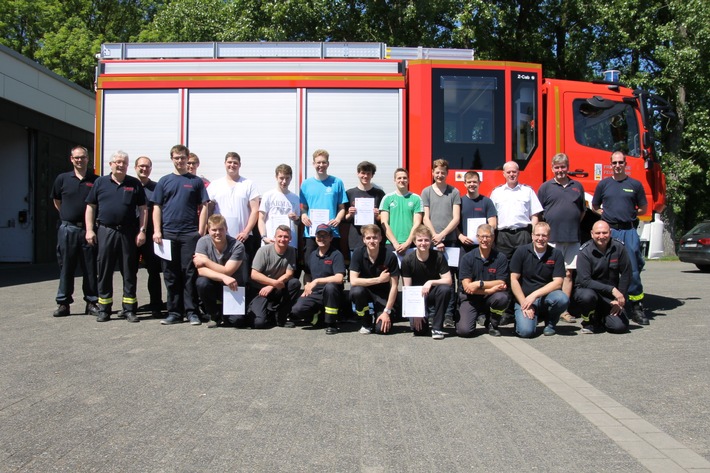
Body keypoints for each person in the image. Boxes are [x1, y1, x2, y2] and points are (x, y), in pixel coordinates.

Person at [85, 151, 148, 323]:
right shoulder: (100, 182)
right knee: (104, 270)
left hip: (128, 232)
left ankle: (129, 309)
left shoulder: (133, 183)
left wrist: (142, 230)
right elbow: (90, 206)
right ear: (111, 164)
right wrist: (89, 230)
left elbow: (143, 209)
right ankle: (104, 308)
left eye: (124, 163)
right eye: (118, 162)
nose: (121, 165)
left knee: (129, 271)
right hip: (106, 231)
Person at [152, 144, 209, 326]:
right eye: (176, 158)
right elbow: (156, 207)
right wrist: (157, 230)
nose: (180, 161)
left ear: (187, 159)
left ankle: (191, 312)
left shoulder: (195, 181)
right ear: (172, 159)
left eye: (183, 158)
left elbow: (204, 206)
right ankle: (174, 313)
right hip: (168, 234)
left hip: (189, 235)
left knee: (189, 274)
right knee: (170, 274)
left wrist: (200, 231)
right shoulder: (164, 181)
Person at [592, 151, 649, 325]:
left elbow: (644, 208)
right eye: (614, 163)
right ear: (610, 165)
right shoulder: (604, 185)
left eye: (620, 163)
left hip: (628, 231)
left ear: (625, 164)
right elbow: (595, 206)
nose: (617, 166)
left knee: (632, 269)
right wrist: (605, 215)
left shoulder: (635, 184)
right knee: (607, 267)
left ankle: (636, 306)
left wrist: (631, 214)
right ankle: (607, 304)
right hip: (610, 232)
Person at [50, 145, 99, 317]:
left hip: (88, 230)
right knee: (66, 267)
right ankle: (63, 303)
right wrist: (68, 216)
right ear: (71, 159)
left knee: (90, 268)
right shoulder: (62, 179)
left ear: (88, 159)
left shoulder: (95, 180)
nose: (80, 160)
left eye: (83, 157)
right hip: (68, 229)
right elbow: (57, 201)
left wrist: (89, 227)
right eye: (76, 157)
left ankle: (92, 302)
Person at [537, 153, 586, 323]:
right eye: (557, 167)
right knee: (549, 274)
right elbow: (539, 212)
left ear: (567, 167)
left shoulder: (577, 186)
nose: (560, 170)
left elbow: (581, 212)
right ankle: (546, 308)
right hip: (552, 238)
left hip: (572, 238)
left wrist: (569, 224)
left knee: (568, 274)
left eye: (563, 167)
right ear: (552, 168)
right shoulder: (545, 187)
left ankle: (563, 311)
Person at [509, 222, 569, 337]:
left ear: (549, 237)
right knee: (526, 332)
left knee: (562, 299)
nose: (540, 238)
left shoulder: (556, 254)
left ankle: (550, 323)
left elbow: (558, 282)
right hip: (524, 298)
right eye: (537, 235)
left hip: (545, 298)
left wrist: (535, 295)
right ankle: (526, 318)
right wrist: (524, 303)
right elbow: (513, 279)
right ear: (532, 236)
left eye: (544, 235)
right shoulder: (521, 252)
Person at [421, 159, 461, 328]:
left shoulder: (454, 192)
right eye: (436, 172)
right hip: (432, 241)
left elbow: (456, 218)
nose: (439, 175)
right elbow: (425, 217)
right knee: (431, 277)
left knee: (449, 279)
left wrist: (442, 235)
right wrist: (435, 237)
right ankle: (431, 313)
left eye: (442, 172)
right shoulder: (426, 192)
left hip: (450, 241)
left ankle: (448, 314)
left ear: (447, 173)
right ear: (432, 173)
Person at [573, 221, 631, 334]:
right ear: (591, 234)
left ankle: (601, 318)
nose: (601, 236)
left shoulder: (619, 247)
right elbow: (585, 281)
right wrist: (612, 290)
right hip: (590, 293)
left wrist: (619, 298)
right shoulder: (585, 251)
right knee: (587, 296)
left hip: (610, 298)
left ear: (610, 232)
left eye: (605, 233)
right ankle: (588, 321)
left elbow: (626, 273)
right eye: (598, 233)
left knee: (619, 327)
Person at [290, 224, 346, 335]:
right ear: (315, 237)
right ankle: (320, 319)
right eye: (319, 236)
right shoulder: (312, 255)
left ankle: (331, 323)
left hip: (332, 293)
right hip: (315, 293)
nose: (321, 239)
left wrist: (316, 281)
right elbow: (307, 274)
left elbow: (339, 278)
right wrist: (307, 285)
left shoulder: (336, 254)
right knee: (297, 309)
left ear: (331, 238)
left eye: (325, 236)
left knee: (330, 287)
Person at [299, 149, 347, 277]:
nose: (321, 165)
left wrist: (338, 219)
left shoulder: (337, 182)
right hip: (311, 233)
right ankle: (308, 294)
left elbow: (342, 207)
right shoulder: (306, 184)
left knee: (333, 268)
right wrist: (303, 215)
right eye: (318, 162)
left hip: (332, 233)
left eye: (324, 162)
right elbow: (304, 207)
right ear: (313, 164)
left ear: (328, 164)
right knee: (309, 268)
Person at [456, 224, 509, 337]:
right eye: (481, 237)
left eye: (488, 236)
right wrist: (490, 290)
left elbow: (501, 282)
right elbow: (467, 287)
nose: (485, 240)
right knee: (464, 331)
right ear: (477, 237)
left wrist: (479, 283)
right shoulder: (467, 258)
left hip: (491, 299)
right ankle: (470, 318)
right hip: (471, 298)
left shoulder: (501, 258)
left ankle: (492, 323)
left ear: (493, 238)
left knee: (502, 297)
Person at [401, 225, 452, 340]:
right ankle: (421, 317)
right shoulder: (407, 260)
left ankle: (437, 327)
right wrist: (416, 312)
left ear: (430, 242)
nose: (423, 243)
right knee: (419, 331)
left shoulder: (438, 256)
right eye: (420, 240)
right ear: (414, 242)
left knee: (445, 289)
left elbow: (448, 280)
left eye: (426, 240)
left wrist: (430, 282)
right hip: (416, 296)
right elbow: (407, 289)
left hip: (432, 292)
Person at [194, 214, 245, 327]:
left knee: (237, 322)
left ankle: (225, 314)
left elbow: (228, 271)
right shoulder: (202, 242)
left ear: (226, 229)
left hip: (233, 286)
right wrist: (223, 277)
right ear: (208, 230)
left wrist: (206, 261)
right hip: (213, 283)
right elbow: (201, 271)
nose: (217, 233)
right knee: (202, 282)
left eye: (221, 229)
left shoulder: (237, 245)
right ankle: (214, 315)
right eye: (214, 230)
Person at [207, 151, 261, 256]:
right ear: (225, 164)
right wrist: (210, 230)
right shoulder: (215, 184)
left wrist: (246, 232)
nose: (232, 165)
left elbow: (255, 210)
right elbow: (208, 210)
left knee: (242, 270)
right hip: (220, 237)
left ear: (240, 165)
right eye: (229, 162)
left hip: (242, 238)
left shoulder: (249, 184)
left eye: (235, 163)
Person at [349, 224, 400, 334]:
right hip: (364, 292)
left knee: (381, 329)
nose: (372, 241)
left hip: (383, 295)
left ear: (380, 238)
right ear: (363, 240)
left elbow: (394, 286)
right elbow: (353, 281)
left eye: (375, 237)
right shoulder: (358, 253)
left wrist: (386, 311)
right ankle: (366, 322)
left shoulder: (390, 256)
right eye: (368, 238)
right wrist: (379, 280)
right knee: (357, 291)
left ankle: (382, 316)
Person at [248, 225, 301, 328]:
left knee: (294, 283)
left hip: (275, 288)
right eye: (280, 236)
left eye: (286, 237)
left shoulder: (291, 251)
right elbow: (254, 275)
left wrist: (272, 285)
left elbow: (289, 274)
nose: (282, 239)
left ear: (290, 239)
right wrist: (273, 283)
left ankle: (281, 317)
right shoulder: (263, 251)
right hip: (260, 290)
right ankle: (264, 311)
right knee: (259, 323)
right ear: (275, 237)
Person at [490, 161, 543, 260]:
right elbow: (493, 217)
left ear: (518, 173)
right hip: (503, 236)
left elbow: (535, 215)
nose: (511, 174)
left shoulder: (528, 191)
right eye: (508, 172)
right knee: (503, 266)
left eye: (514, 172)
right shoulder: (496, 192)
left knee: (524, 265)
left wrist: (534, 234)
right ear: (504, 174)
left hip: (523, 235)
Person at [134, 156, 164, 318]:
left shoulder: (156, 187)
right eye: (141, 166)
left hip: (152, 236)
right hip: (130, 235)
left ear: (151, 169)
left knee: (153, 271)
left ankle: (156, 304)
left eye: (147, 166)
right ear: (135, 167)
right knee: (130, 272)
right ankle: (130, 305)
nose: (144, 169)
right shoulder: (130, 185)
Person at [344, 161, 386, 253]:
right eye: (363, 173)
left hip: (373, 240)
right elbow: (344, 218)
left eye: (368, 173)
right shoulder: (349, 193)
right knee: (356, 267)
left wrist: (377, 215)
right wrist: (350, 214)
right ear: (358, 174)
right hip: (355, 239)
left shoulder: (379, 194)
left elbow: (383, 218)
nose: (365, 176)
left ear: (372, 175)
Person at [379, 168, 423, 255]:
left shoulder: (416, 198)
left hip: (412, 244)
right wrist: (395, 243)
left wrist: (407, 243)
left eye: (404, 178)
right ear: (394, 180)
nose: (402, 180)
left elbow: (417, 223)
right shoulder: (387, 198)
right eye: (399, 178)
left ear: (408, 180)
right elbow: (384, 223)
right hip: (391, 244)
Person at [258, 164, 300, 249]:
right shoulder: (268, 195)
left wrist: (296, 218)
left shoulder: (295, 198)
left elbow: (298, 222)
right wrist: (264, 237)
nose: (284, 181)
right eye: (281, 178)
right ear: (276, 177)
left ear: (291, 178)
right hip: (270, 242)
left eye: (287, 178)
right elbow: (261, 219)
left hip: (289, 244)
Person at [457, 170, 497, 254]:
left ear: (479, 183)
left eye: (475, 182)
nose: (472, 184)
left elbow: (493, 224)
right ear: (465, 183)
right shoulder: (459, 202)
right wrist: (460, 236)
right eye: (469, 182)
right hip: (464, 246)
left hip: (483, 246)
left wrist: (483, 237)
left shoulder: (487, 201)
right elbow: (454, 222)